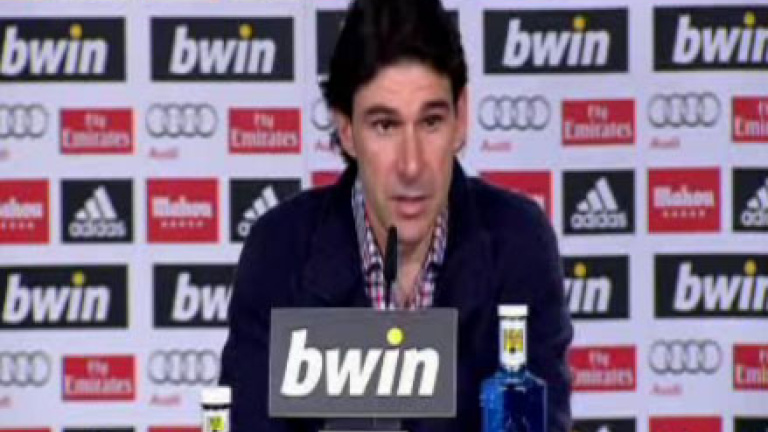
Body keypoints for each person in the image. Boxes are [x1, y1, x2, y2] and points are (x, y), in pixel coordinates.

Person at [219, 0, 573, 430]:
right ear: (346, 129)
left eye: (431, 122)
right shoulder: (279, 249)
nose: (411, 165)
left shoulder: (517, 241)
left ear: (461, 118)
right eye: (385, 126)